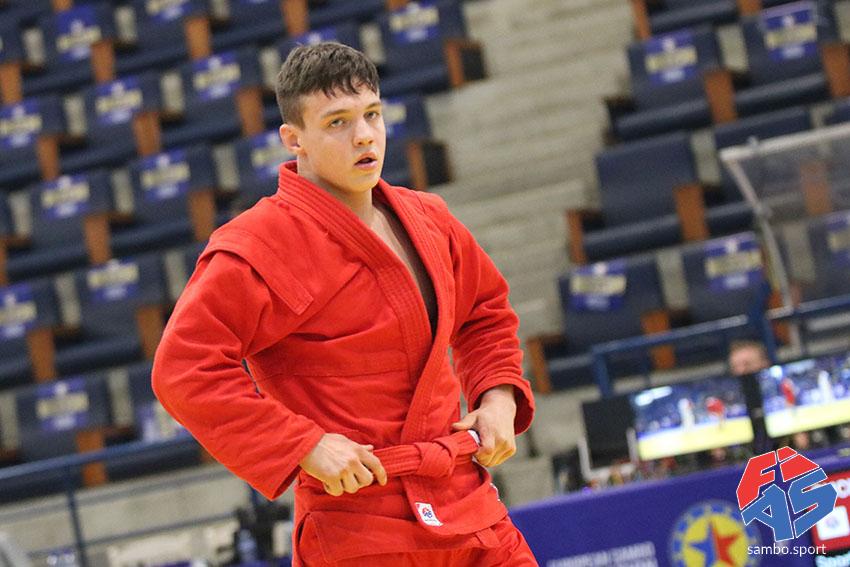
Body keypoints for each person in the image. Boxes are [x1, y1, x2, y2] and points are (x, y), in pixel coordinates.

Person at [151, 43, 537, 566]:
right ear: (294, 140)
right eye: (337, 122)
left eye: (372, 114)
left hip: (466, 502)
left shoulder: (428, 218)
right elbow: (183, 370)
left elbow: (484, 312)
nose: (364, 136)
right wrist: (303, 445)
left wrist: (497, 398)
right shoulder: (256, 246)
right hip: (357, 525)